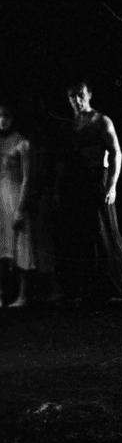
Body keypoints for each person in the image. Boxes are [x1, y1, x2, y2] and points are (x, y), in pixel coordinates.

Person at [56, 79, 122, 300]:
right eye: (73, 96)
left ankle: (120, 290)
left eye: (81, 94)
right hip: (78, 182)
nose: (77, 100)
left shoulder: (102, 121)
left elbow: (116, 153)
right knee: (84, 235)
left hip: (99, 179)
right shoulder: (72, 122)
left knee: (106, 232)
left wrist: (111, 185)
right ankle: (93, 290)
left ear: (89, 94)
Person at [0, 102, 36, 307]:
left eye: (7, 116)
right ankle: (2, 294)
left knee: (20, 248)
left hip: (14, 198)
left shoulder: (22, 143)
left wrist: (20, 209)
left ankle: (23, 295)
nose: (2, 120)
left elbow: (27, 178)